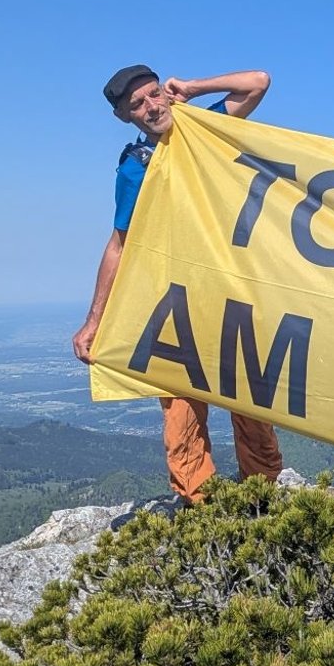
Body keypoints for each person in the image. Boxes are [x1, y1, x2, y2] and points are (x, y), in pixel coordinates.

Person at [70, 65, 285, 504]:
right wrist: (94, 320)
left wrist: (193, 88)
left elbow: (258, 83)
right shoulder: (135, 167)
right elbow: (120, 243)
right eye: (138, 104)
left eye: (154, 94)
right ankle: (199, 509)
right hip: (174, 304)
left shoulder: (205, 126)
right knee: (182, 414)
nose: (151, 106)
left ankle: (263, 503)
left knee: (250, 404)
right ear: (124, 117)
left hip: (230, 296)